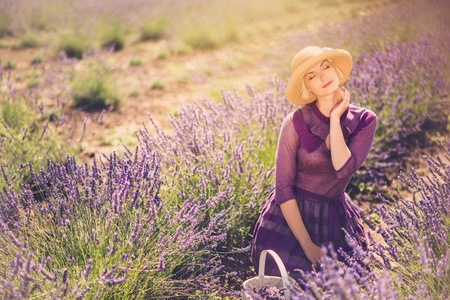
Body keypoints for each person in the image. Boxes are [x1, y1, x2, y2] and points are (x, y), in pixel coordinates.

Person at [251, 46, 377, 276]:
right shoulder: (295, 123)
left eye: (326, 67)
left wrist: (336, 119)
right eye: (311, 76)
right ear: (306, 86)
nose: (322, 77)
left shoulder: (364, 121)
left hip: (333, 218)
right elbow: (283, 189)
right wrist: (308, 246)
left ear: (336, 69)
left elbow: (342, 170)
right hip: (290, 220)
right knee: (297, 284)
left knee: (346, 284)